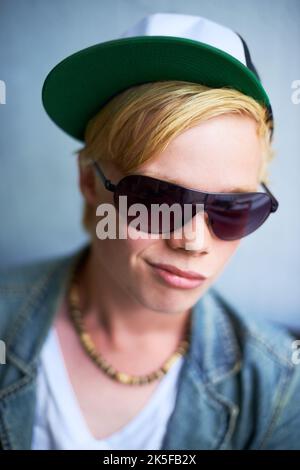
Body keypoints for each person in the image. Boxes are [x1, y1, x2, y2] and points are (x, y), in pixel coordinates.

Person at [0, 12, 299, 451]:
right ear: (88, 181)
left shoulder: (278, 386)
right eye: (158, 199)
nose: (193, 241)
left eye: (234, 208)